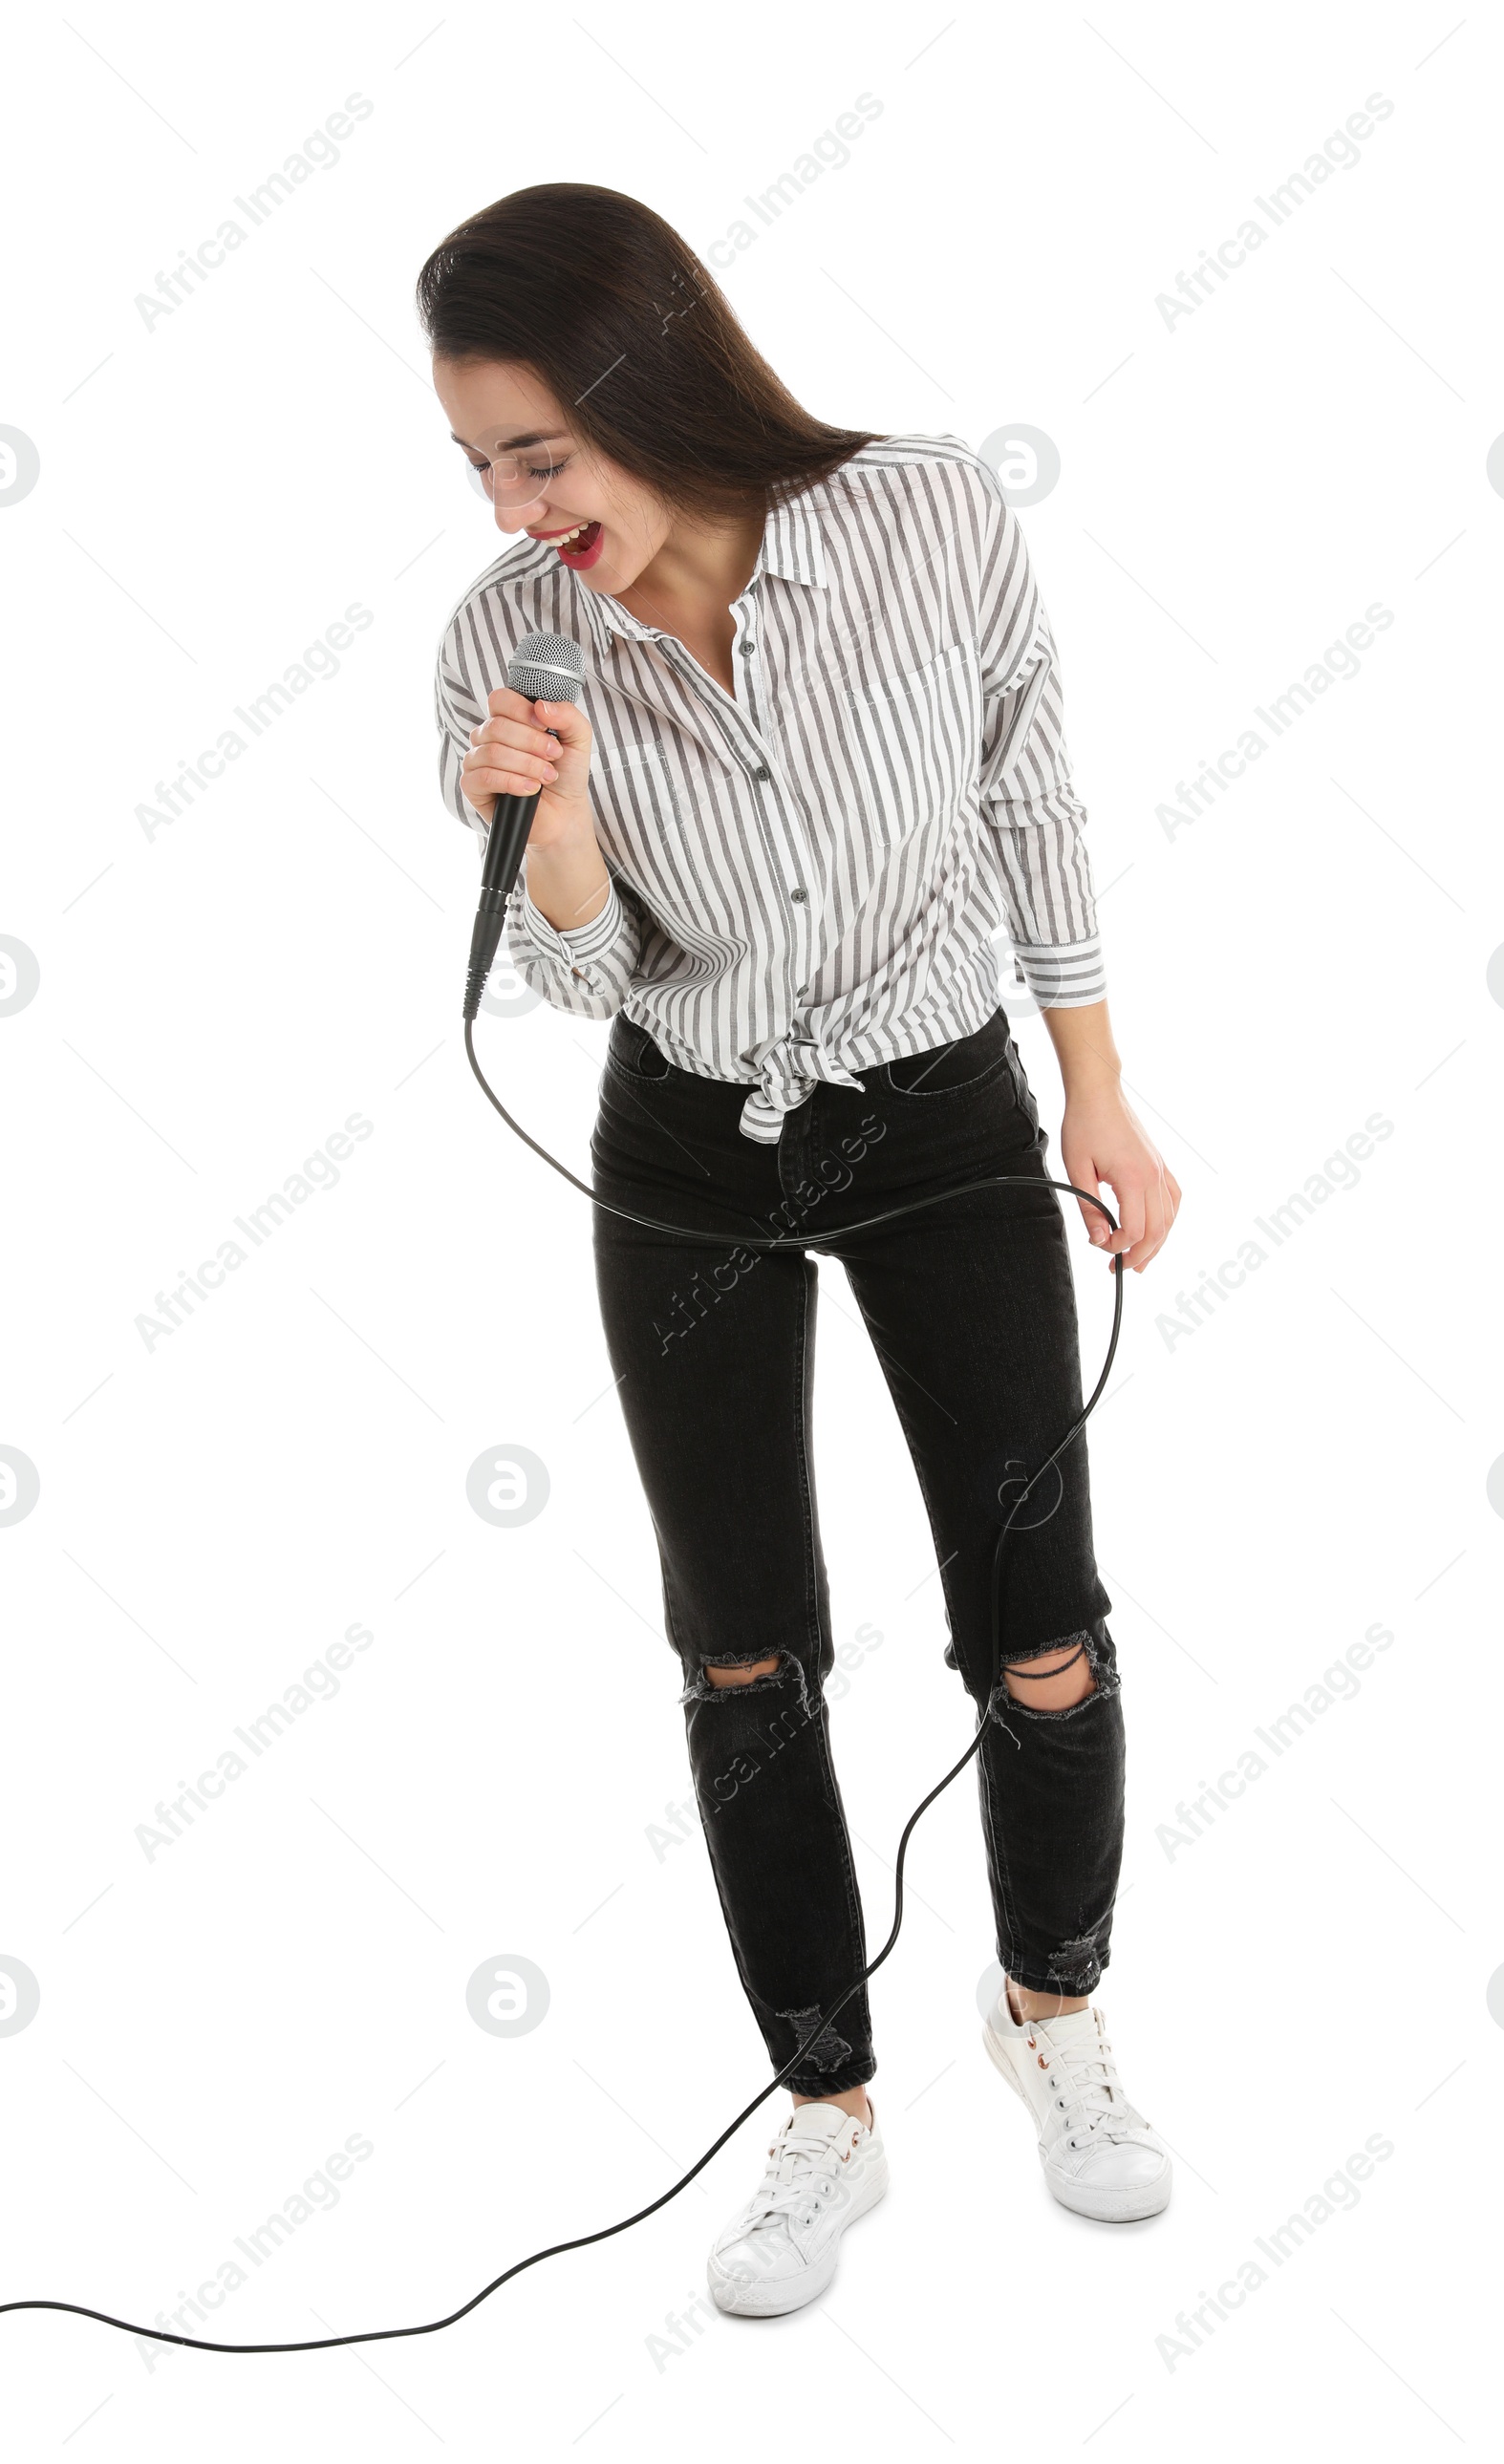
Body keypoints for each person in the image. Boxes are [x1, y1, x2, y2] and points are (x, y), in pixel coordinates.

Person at [419, 184, 1182, 2318]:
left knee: (1036, 1614)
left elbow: (1030, 783)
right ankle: (822, 2109)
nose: (508, 501)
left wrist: (1096, 1086)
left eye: (537, 452)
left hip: (942, 1108)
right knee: (740, 1651)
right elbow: (580, 987)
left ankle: (1049, 2012)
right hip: (686, 1139)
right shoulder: (503, 646)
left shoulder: (924, 518)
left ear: (646, 382)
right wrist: (547, 823)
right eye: (476, 464)